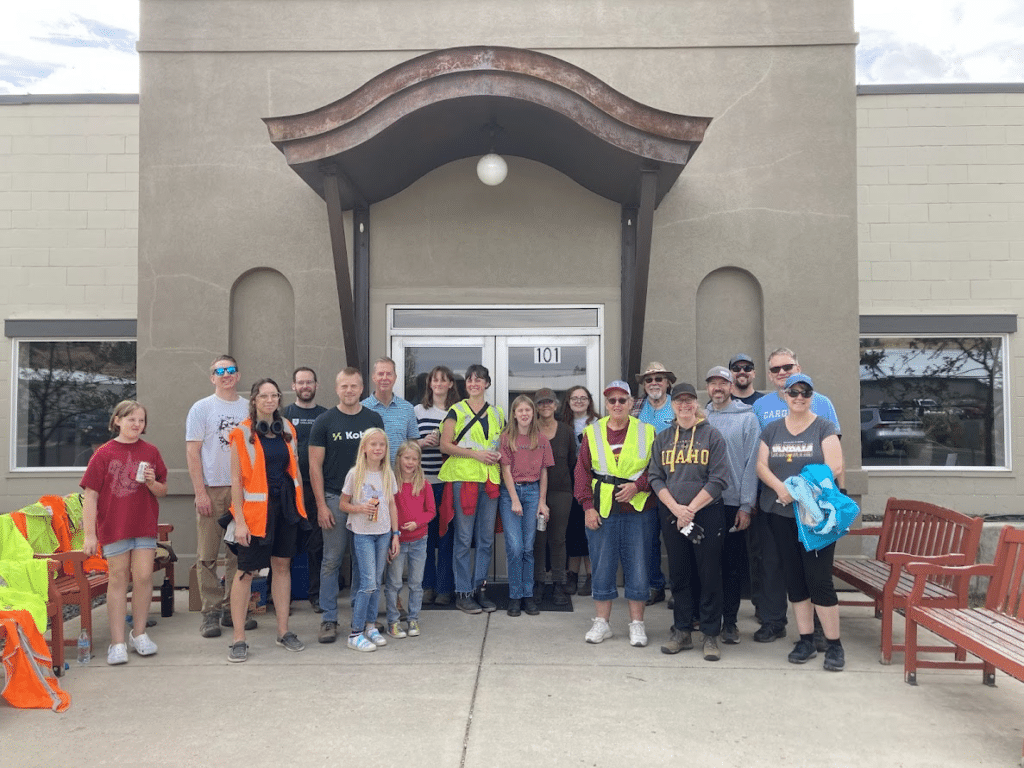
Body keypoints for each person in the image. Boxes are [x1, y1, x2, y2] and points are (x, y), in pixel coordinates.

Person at [751, 347, 843, 645]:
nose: (782, 374)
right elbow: (760, 461)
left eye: (787, 367)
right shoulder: (765, 412)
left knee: (816, 573)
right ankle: (779, 624)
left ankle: (823, 635)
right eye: (776, 370)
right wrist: (781, 490)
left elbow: (835, 460)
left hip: (815, 508)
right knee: (781, 568)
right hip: (777, 506)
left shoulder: (824, 412)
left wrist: (832, 494)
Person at [226, 379, 310, 663]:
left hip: (285, 508)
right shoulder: (241, 433)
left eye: (274, 395)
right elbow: (236, 481)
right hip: (254, 514)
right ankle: (239, 637)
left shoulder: (287, 428)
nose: (270, 400)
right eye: (264, 396)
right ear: (254, 399)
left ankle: (283, 631)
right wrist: (239, 521)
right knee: (246, 572)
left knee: (282, 566)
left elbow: (294, 468)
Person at [81, 400, 168, 665]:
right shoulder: (104, 454)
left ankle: (138, 634)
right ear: (117, 420)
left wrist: (153, 483)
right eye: (131, 419)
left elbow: (163, 489)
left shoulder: (151, 451)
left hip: (144, 525)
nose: (136, 424)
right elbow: (91, 496)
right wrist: (89, 534)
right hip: (114, 527)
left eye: (141, 420)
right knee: (118, 579)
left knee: (142, 577)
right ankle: (117, 642)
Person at [648, 382, 730, 661]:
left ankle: (709, 634)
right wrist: (676, 509)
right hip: (672, 514)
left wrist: (690, 510)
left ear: (696, 404)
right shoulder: (663, 438)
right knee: (680, 574)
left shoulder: (713, 436)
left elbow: (719, 479)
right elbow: (655, 477)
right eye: (679, 401)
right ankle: (681, 631)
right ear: (672, 405)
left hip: (706, 512)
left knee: (709, 574)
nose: (684, 406)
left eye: (689, 401)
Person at [574, 380, 656, 647]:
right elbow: (582, 473)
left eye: (623, 400)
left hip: (638, 508)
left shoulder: (648, 431)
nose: (617, 405)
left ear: (632, 404)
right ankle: (602, 623)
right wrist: (587, 506)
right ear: (606, 404)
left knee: (638, 567)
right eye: (612, 400)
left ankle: (637, 625)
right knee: (602, 566)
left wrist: (637, 487)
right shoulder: (592, 432)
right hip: (602, 509)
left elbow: (656, 470)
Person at [308, 368, 385, 644]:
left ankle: (361, 616)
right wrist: (321, 505)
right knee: (332, 560)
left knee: (362, 562)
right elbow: (314, 467)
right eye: (344, 386)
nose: (349, 390)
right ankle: (329, 618)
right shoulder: (324, 421)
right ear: (336, 388)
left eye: (354, 386)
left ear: (362, 387)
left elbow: (382, 457)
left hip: (367, 502)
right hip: (334, 499)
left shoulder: (373, 419)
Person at [185, 354, 254, 639]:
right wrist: (200, 491)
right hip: (212, 488)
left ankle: (232, 608)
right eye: (219, 371)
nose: (226, 375)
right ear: (212, 377)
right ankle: (210, 612)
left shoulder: (248, 408)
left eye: (231, 370)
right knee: (208, 554)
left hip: (243, 490)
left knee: (238, 552)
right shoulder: (202, 409)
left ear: (238, 375)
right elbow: (192, 451)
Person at [438, 364, 506, 615]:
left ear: (487, 384)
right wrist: (475, 454)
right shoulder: (456, 410)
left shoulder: (498, 413)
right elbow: (445, 446)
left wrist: (496, 454)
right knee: (464, 539)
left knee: (486, 539)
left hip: (490, 480)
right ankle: (463, 592)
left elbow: (503, 443)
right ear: (465, 384)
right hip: (464, 479)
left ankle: (481, 589)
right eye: (469, 379)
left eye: (479, 380)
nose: (474, 383)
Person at [704, 366, 760, 645]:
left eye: (722, 383)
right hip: (704, 504)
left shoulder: (747, 419)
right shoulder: (700, 417)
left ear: (730, 387)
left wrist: (746, 505)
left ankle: (730, 622)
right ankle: (707, 619)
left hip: (733, 503)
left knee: (731, 566)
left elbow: (752, 465)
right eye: (712, 383)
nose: (718, 387)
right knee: (706, 566)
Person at [340, 428, 400, 652]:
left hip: (383, 532)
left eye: (381, 445)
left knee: (376, 582)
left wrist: (395, 534)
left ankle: (370, 625)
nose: (377, 448)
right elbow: (342, 504)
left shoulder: (388, 474)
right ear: (364, 448)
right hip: (363, 534)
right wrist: (359, 508)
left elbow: (392, 505)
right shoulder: (355, 474)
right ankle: (355, 632)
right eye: (373, 444)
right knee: (368, 584)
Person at [498, 395, 553, 617]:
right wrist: (514, 499)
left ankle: (528, 595)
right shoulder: (507, 438)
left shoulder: (541, 439)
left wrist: (541, 501)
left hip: (532, 493)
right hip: (511, 493)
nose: (524, 414)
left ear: (533, 413)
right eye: (520, 410)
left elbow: (544, 472)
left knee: (529, 548)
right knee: (515, 547)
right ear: (514, 414)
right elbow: (505, 470)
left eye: (527, 411)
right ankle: (515, 595)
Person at [282, 367, 328, 612]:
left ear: (316, 385)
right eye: (300, 382)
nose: (305, 386)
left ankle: (316, 594)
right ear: (294, 386)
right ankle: (282, 597)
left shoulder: (325, 415)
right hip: (288, 487)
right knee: (285, 541)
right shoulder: (283, 414)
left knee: (316, 542)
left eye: (309, 382)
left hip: (315, 487)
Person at [630, 362, 676, 607]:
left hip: (674, 481)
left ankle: (678, 590)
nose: (654, 383)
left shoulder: (678, 405)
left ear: (668, 382)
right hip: (645, 482)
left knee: (676, 539)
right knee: (648, 539)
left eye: (659, 378)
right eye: (649, 380)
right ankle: (655, 585)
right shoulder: (636, 407)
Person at [415, 365, 459, 607]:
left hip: (448, 483)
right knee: (425, 539)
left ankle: (444, 588)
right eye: (435, 380)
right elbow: (407, 445)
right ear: (429, 384)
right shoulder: (418, 411)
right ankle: (427, 587)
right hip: (423, 483)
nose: (439, 384)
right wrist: (422, 443)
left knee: (446, 538)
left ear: (451, 384)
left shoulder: (457, 411)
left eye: (444, 380)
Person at [384, 440, 435, 638]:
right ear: (399, 459)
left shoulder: (423, 484)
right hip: (398, 541)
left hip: (419, 539)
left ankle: (413, 619)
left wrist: (418, 523)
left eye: (415, 459)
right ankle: (393, 621)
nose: (410, 462)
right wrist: (392, 535)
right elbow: (388, 511)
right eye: (407, 458)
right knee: (394, 582)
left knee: (415, 583)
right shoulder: (392, 483)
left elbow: (431, 511)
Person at [533, 387, 576, 606]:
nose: (545, 406)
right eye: (541, 403)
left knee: (558, 539)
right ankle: (539, 581)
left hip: (561, 492)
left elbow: (572, 463)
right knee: (538, 540)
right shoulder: (530, 430)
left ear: (556, 405)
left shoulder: (567, 431)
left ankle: (559, 583)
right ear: (536, 407)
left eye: (549, 402)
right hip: (534, 492)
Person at [560, 385, 597, 597]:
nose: (579, 401)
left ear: (589, 401)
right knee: (572, 529)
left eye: (583, 398)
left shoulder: (599, 423)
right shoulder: (563, 424)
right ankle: (572, 575)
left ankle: (592, 576)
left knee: (590, 528)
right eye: (574, 398)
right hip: (568, 481)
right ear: (568, 401)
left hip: (592, 481)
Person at [362, 356, 420, 464]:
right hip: (371, 475)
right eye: (380, 374)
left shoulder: (407, 408)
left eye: (389, 374)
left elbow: (413, 445)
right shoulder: (362, 408)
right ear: (373, 377)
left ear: (395, 377)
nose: (385, 378)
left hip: (399, 476)